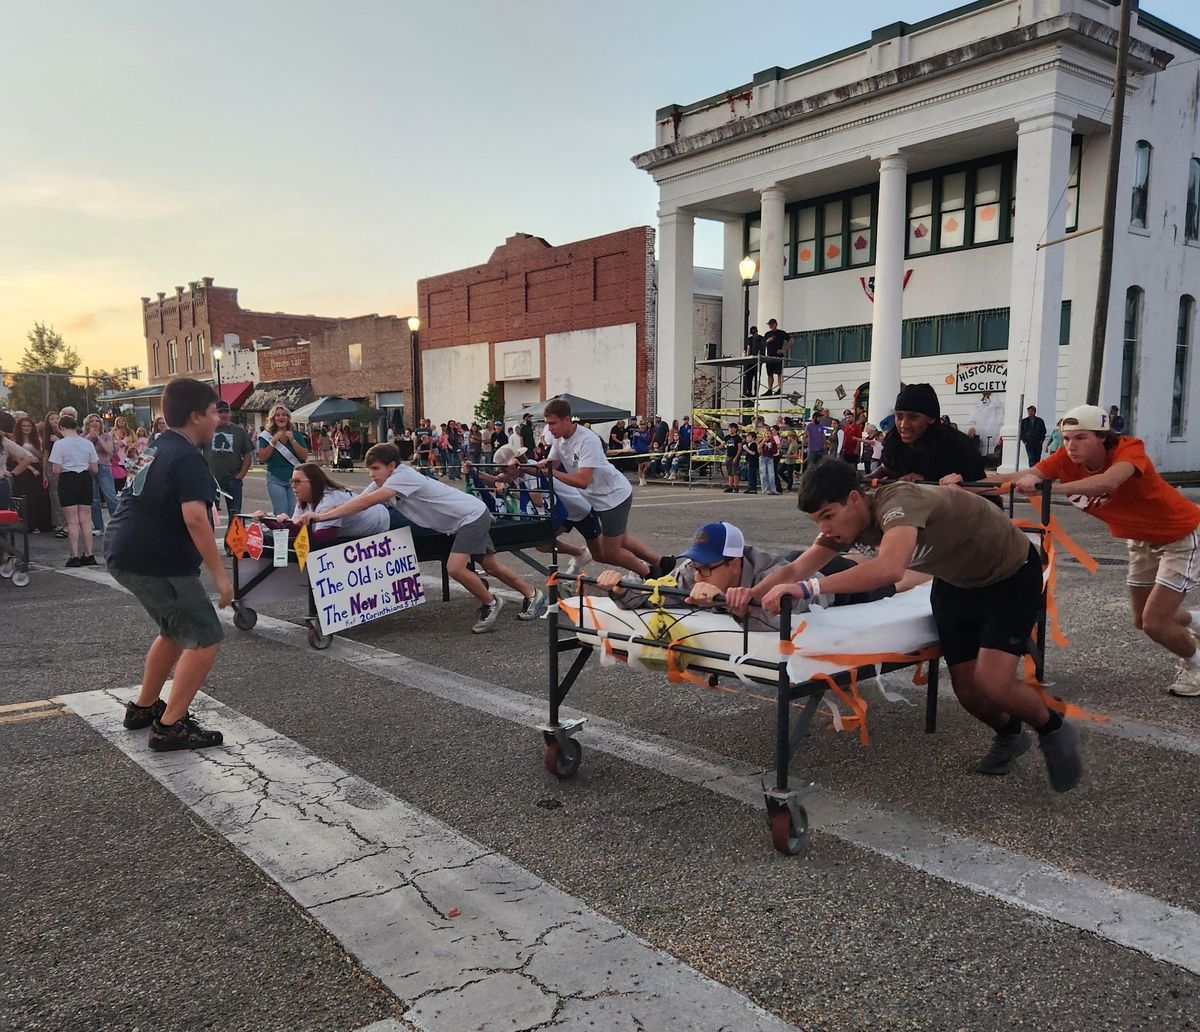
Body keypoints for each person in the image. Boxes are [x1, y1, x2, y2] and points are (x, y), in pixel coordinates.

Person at [726, 460, 1083, 792]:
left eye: (828, 516)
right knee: (969, 690)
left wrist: (810, 588)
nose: (825, 529)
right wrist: (751, 595)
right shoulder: (844, 524)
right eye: (817, 521)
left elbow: (889, 569)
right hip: (956, 583)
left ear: (853, 500)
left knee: (993, 681)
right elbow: (794, 569)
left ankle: (1053, 727)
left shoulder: (899, 501)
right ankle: (1010, 733)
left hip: (1009, 575)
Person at [1008, 404, 1200, 698]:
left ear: (1103, 437)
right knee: (1142, 620)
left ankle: (1194, 662)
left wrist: (1047, 488)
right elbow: (1019, 476)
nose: (1071, 445)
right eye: (1067, 438)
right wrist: (956, 485)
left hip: (1180, 535)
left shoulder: (1128, 449)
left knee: (1155, 623)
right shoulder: (1064, 459)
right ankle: (1196, 621)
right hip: (1140, 540)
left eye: (1081, 437)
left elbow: (1109, 482)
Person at [296, 442, 546, 632]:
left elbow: (368, 503)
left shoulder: (403, 476)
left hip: (470, 516)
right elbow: (360, 499)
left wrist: (321, 518)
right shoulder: (386, 479)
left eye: (375, 468)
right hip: (462, 519)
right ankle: (533, 595)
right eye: (369, 469)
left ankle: (491, 603)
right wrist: (322, 511)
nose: (371, 474)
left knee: (455, 568)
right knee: (490, 565)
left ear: (391, 466)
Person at [107, 378, 231, 751]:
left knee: (174, 631)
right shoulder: (189, 455)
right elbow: (195, 518)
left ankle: (144, 708)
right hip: (157, 559)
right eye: (213, 413)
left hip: (126, 549)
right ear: (195, 416)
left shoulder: (159, 446)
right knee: (206, 636)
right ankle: (170, 725)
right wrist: (221, 576)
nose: (218, 420)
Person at [597, 521, 922, 631]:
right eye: (697, 566)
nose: (699, 575)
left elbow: (786, 617)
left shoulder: (765, 572)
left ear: (736, 563)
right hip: (796, 563)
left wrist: (737, 609)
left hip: (826, 588)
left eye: (708, 568)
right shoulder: (694, 572)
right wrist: (619, 590)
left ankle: (927, 572)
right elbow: (656, 595)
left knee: (893, 583)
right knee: (844, 559)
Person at [538, 398, 673, 579]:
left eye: (552, 423)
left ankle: (649, 574)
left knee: (609, 552)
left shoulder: (587, 440)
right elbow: (550, 464)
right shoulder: (559, 440)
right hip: (595, 498)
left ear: (567, 419)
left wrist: (549, 472)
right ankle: (661, 563)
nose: (550, 428)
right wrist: (526, 466)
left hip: (613, 497)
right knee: (621, 540)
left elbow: (582, 480)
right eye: (547, 424)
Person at [879, 384, 986, 485]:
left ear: (931, 418)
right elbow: (886, 469)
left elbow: (979, 488)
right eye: (899, 416)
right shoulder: (894, 440)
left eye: (913, 417)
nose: (904, 425)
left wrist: (928, 481)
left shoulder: (958, 446)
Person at [254, 462, 391, 539]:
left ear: (313, 482)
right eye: (292, 482)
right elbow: (296, 533)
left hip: (387, 520)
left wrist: (286, 525)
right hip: (373, 527)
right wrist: (268, 520)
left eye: (297, 482)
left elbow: (322, 539)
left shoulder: (329, 499)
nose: (293, 486)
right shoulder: (304, 500)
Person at [48, 413, 99, 567]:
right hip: (85, 479)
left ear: (61, 427)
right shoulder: (87, 443)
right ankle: (89, 554)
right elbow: (95, 468)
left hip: (68, 480)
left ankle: (74, 556)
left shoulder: (60, 444)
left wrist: (69, 465)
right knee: (85, 519)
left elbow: (56, 469)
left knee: (72, 521)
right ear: (76, 427)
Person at [205, 400, 254, 534]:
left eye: (226, 411)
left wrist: (240, 475)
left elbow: (248, 455)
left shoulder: (239, 432)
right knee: (209, 514)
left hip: (233, 479)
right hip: (212, 481)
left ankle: (232, 545)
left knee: (235, 514)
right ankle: (209, 545)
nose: (223, 414)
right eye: (220, 411)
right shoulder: (207, 430)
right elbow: (197, 453)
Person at [257, 404, 309, 514]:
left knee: (294, 513)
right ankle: (281, 531)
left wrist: (293, 441)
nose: (281, 417)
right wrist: (273, 443)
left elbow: (304, 456)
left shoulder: (296, 434)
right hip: (276, 479)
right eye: (277, 415)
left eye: (284, 415)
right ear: (273, 418)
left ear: (288, 418)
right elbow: (262, 458)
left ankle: (292, 532)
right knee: (281, 513)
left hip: (295, 480)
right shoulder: (266, 436)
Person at [11, 415, 53, 533]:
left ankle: (42, 524)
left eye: (29, 426)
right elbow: (15, 457)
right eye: (24, 426)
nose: (26, 428)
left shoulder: (37, 439)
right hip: (22, 469)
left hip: (36, 465)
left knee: (40, 495)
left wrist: (33, 450)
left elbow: (41, 456)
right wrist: (30, 468)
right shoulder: (15, 440)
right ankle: (29, 525)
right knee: (26, 496)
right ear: (19, 427)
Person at [761, 319, 789, 395]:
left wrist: (783, 349)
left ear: (776, 324)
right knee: (769, 373)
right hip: (770, 356)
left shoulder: (781, 333)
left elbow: (791, 340)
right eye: (769, 324)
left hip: (778, 356)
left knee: (779, 373)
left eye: (772, 324)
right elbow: (763, 344)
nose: (770, 326)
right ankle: (770, 389)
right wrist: (767, 341)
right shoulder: (767, 334)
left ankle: (780, 389)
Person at [743, 326, 764, 398]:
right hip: (751, 360)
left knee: (757, 377)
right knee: (749, 377)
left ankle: (756, 392)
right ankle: (749, 391)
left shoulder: (761, 338)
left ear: (757, 332)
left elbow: (763, 347)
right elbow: (748, 348)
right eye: (752, 333)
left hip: (758, 360)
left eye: (754, 333)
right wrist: (747, 357)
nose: (753, 335)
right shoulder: (750, 339)